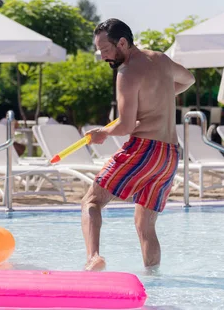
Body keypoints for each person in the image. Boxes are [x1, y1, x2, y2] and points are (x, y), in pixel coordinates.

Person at [82, 18, 195, 272]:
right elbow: (189, 79)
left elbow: (125, 126)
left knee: (91, 201)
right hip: (169, 156)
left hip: (145, 149)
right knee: (145, 225)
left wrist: (103, 132)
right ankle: (153, 279)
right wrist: (162, 93)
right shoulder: (162, 59)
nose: (103, 57)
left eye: (106, 50)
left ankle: (93, 258)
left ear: (122, 43)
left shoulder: (127, 72)